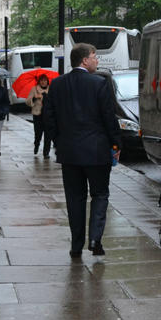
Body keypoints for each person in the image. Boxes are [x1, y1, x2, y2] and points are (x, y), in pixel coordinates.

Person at [43, 43, 121, 258]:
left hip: (69, 153)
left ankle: (76, 245)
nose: (97, 60)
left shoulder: (57, 84)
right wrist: (115, 145)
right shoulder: (99, 83)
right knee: (100, 194)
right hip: (97, 152)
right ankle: (95, 238)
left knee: (74, 198)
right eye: (95, 56)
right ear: (84, 60)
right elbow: (109, 117)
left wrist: (58, 141)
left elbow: (48, 118)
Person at [26, 74, 51, 156]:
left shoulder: (51, 89)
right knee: (38, 134)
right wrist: (35, 98)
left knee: (48, 135)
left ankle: (46, 153)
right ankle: (36, 145)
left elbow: (54, 101)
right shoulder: (34, 89)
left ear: (47, 81)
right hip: (38, 115)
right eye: (41, 80)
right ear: (39, 81)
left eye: (45, 80)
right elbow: (28, 101)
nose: (43, 82)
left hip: (48, 115)